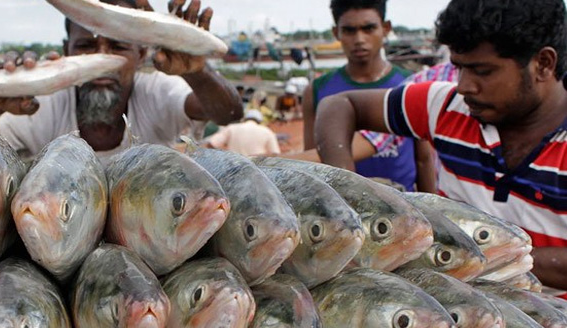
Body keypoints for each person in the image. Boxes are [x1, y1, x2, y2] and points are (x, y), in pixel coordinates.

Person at [314, 0, 567, 289]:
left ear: (543, 64)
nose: (464, 85)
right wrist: (344, 190)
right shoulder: (446, 107)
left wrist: (488, 257)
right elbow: (339, 105)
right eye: (459, 67)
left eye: (482, 71)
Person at [0, 0, 242, 165]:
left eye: (118, 46)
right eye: (86, 46)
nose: (100, 58)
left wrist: (196, 71)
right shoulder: (43, 103)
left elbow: (229, 114)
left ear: (141, 54)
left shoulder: (156, 91)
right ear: (66, 49)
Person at [302, 0, 435, 193]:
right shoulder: (317, 90)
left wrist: (431, 207)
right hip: (346, 204)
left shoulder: (411, 85)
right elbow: (311, 162)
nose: (359, 39)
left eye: (369, 28)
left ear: (385, 28)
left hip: (404, 203)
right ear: (336, 33)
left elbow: (423, 158)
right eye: (349, 30)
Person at [204, 109, 281, 156]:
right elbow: (274, 153)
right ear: (260, 121)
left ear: (244, 119)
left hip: (233, 165)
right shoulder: (267, 131)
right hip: (256, 168)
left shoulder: (232, 128)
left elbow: (212, 144)